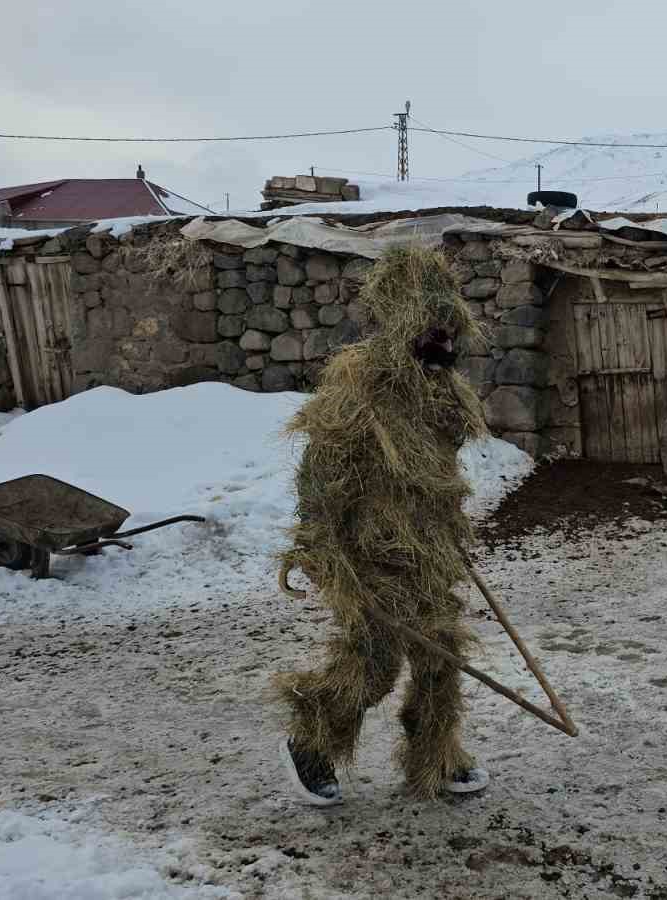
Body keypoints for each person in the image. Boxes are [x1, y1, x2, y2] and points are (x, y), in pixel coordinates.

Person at [274, 245, 491, 804]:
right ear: (401, 322)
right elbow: (321, 479)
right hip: (368, 555)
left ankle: (436, 758)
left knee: (442, 657)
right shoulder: (358, 390)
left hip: (427, 552)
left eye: (449, 334)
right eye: (432, 333)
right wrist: (322, 550)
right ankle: (311, 742)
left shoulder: (442, 393)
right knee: (372, 660)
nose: (444, 346)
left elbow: (438, 474)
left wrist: (448, 532)